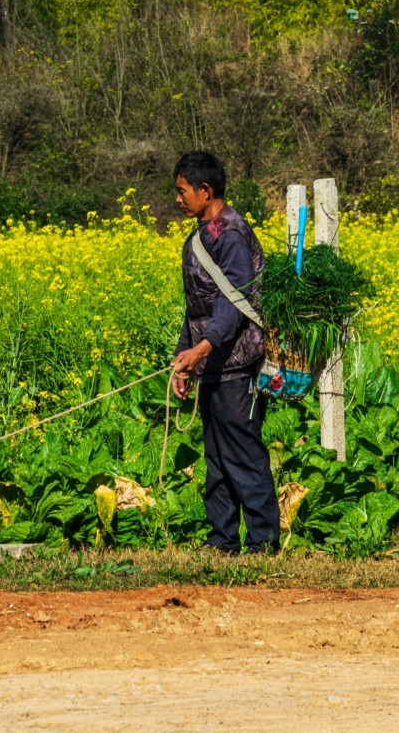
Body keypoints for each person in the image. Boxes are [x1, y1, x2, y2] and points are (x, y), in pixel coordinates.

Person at [169, 151, 280, 555]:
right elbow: (198, 306)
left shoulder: (230, 234)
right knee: (216, 459)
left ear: (206, 190)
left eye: (182, 192)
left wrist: (202, 349)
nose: (177, 199)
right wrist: (184, 357)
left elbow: (233, 303)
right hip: (211, 363)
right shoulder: (200, 235)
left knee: (244, 454)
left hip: (236, 363)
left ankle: (264, 542)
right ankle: (222, 541)